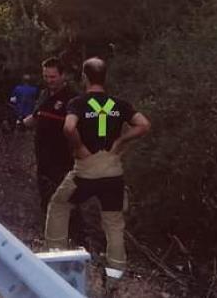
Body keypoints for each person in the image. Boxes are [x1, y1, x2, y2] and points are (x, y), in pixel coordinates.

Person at [45, 57, 150, 286]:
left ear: (84, 77)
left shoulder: (78, 103)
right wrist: (121, 140)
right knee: (114, 224)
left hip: (86, 171)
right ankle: (114, 280)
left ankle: (55, 263)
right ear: (105, 77)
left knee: (59, 205)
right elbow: (144, 124)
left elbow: (69, 127)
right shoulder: (119, 104)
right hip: (113, 171)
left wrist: (79, 147)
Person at [21, 57, 82, 245]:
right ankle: (51, 241)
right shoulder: (44, 94)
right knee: (46, 200)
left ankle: (79, 242)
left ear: (63, 76)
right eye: (46, 76)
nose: (49, 80)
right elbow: (36, 117)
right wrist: (19, 124)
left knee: (66, 202)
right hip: (43, 158)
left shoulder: (73, 98)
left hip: (63, 160)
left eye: (53, 76)